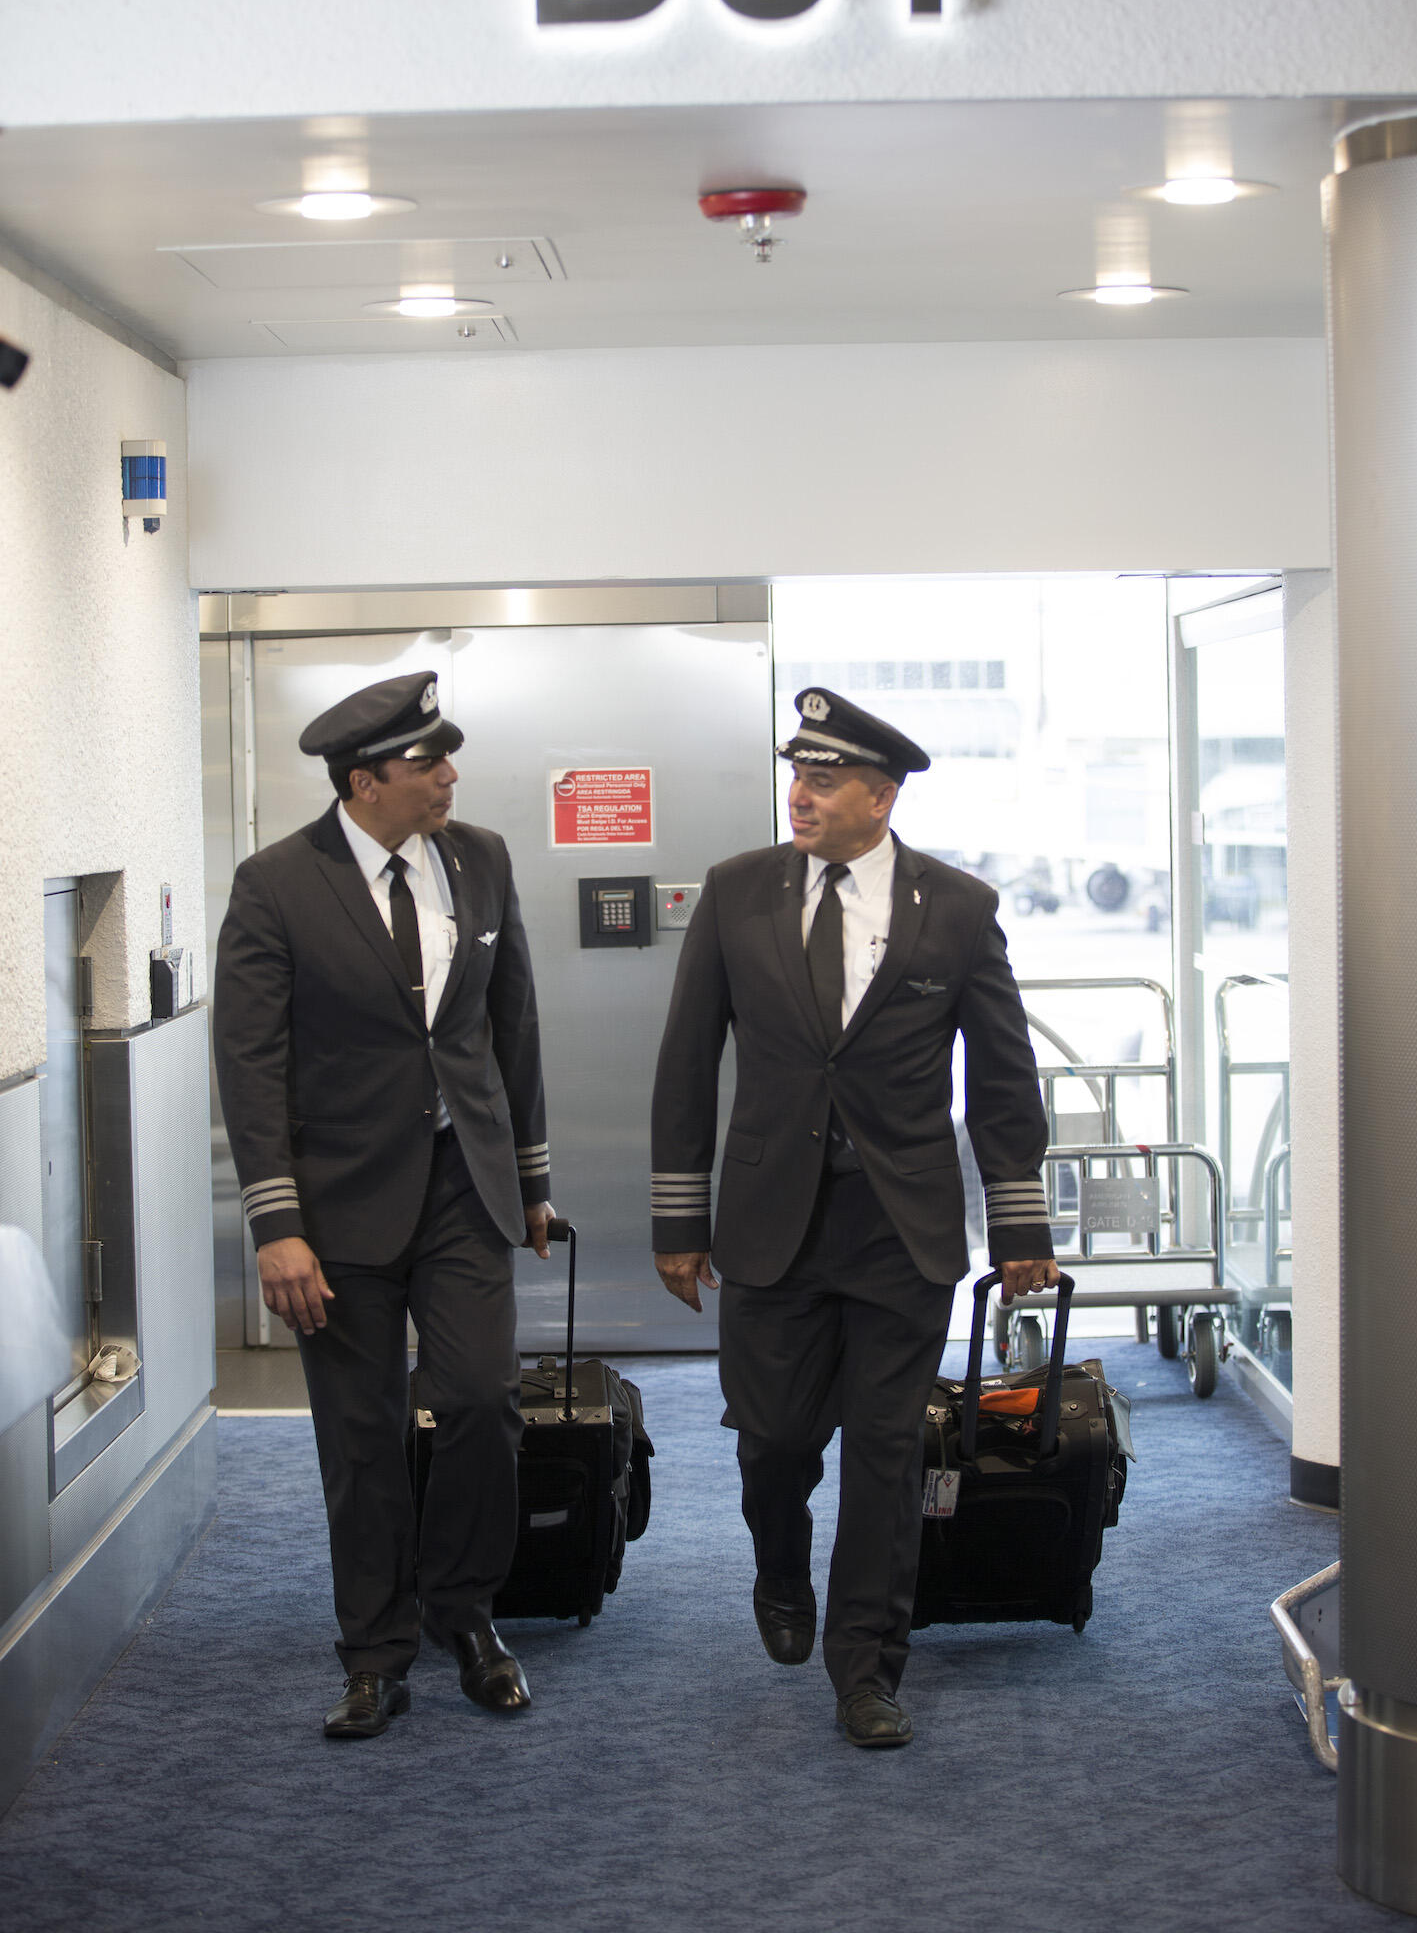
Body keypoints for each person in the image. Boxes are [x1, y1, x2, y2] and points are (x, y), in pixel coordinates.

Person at [651, 687, 1056, 1750]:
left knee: (888, 1454)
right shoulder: (740, 893)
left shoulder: (958, 909)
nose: (801, 796)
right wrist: (676, 1218)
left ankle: (867, 1668)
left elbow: (1005, 1081)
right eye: (796, 778)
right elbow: (688, 1059)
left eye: (823, 782)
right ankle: (779, 1562)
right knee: (776, 1439)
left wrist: (1019, 1229)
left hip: (902, 1228)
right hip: (769, 1223)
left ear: (882, 796)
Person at [213, 670, 556, 1740]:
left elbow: (513, 1027)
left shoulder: (482, 860)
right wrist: (276, 1225)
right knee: (359, 1436)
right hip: (337, 1211)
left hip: (465, 1187)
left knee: (482, 1406)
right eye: (427, 764)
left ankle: (466, 1615)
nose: (448, 777)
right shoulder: (277, 883)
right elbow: (249, 1061)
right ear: (366, 781)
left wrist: (533, 1179)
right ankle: (374, 1651)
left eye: (447, 760)